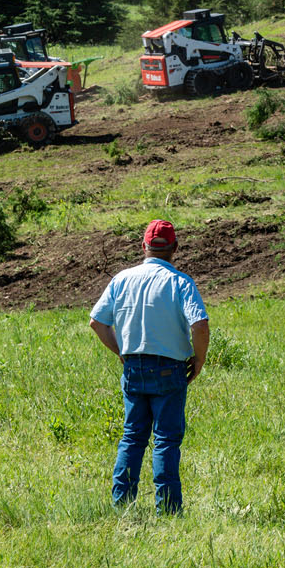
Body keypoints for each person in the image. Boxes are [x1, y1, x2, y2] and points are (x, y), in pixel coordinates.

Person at [90, 219, 210, 514]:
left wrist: (121, 351)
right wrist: (199, 358)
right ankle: (168, 509)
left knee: (132, 437)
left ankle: (123, 506)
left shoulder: (121, 279)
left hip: (133, 365)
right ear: (175, 248)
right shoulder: (180, 282)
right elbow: (200, 324)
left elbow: (97, 322)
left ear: (143, 247)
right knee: (166, 440)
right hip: (170, 368)